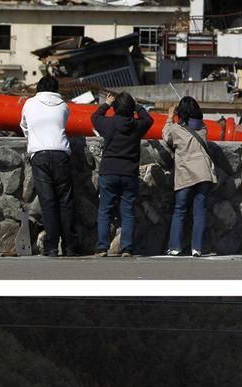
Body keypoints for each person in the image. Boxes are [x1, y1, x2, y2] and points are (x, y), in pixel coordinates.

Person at [20, 73, 79, 257]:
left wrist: (33, 140)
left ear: (39, 88)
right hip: (61, 153)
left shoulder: (29, 104)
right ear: (56, 89)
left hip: (40, 155)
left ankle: (51, 246)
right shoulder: (64, 106)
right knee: (66, 201)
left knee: (48, 202)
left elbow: (24, 125)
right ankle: (70, 246)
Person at [90, 91, 153, 256]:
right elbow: (149, 119)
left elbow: (95, 117)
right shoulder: (137, 125)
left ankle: (102, 247)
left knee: (105, 210)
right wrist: (138, 106)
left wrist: (106, 104)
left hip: (109, 170)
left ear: (116, 108)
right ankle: (127, 248)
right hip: (129, 172)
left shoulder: (108, 124)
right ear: (131, 108)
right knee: (127, 211)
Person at [162, 96, 218, 257]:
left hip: (186, 173)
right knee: (199, 212)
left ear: (181, 112)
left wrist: (170, 116)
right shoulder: (203, 128)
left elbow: (165, 135)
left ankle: (175, 247)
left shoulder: (176, 129)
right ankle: (197, 248)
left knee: (179, 210)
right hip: (204, 173)